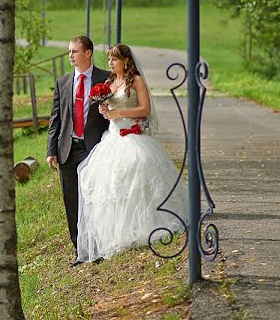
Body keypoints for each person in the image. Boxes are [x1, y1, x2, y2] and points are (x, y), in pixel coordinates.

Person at [76, 43, 188, 263]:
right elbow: (109, 109)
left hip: (133, 137)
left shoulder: (135, 80)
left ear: (126, 61)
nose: (110, 63)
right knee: (111, 184)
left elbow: (145, 109)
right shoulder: (109, 82)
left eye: (114, 59)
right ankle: (120, 231)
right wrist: (105, 109)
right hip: (112, 138)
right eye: (109, 59)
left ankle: (148, 224)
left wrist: (120, 111)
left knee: (139, 175)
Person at [46, 36, 110, 266]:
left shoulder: (104, 79)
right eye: (69, 52)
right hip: (67, 149)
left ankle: (98, 247)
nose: (71, 55)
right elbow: (55, 120)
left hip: (94, 148)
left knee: (93, 199)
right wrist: (50, 150)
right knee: (71, 200)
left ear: (88, 53)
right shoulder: (63, 82)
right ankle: (79, 250)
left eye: (74, 51)